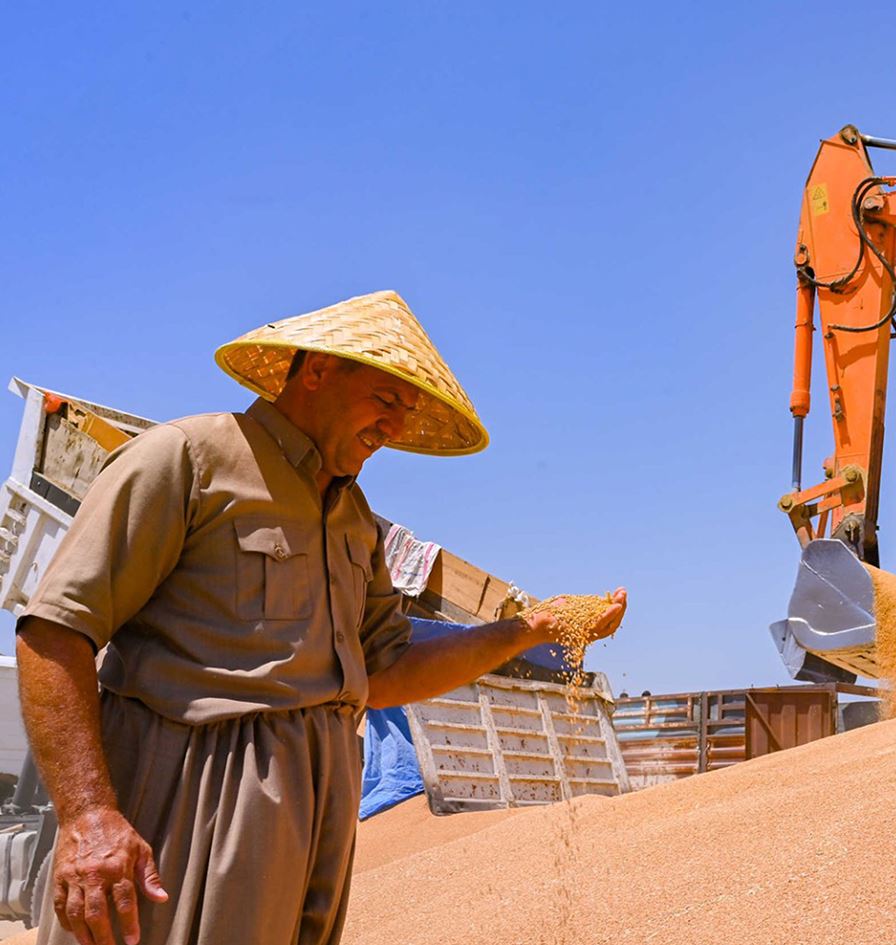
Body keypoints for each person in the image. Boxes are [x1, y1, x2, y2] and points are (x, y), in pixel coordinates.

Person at [15, 290, 627, 945]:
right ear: (316, 371)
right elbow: (56, 630)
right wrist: (88, 814)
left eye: (407, 410)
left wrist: (528, 630)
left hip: (313, 833)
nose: (393, 427)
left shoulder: (354, 520)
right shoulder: (190, 459)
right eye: (386, 398)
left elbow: (386, 670)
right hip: (185, 812)